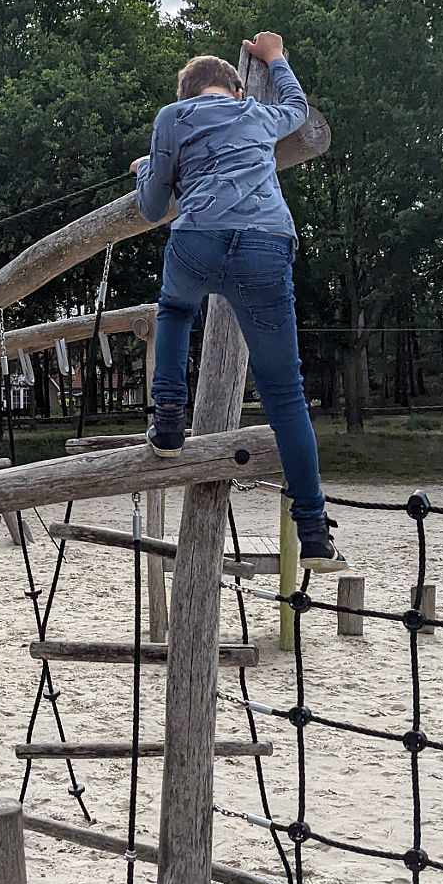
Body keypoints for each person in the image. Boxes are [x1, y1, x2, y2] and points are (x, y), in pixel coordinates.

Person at [133, 31, 346, 572]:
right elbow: (296, 108)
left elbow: (154, 205)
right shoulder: (258, 115)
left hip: (199, 237)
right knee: (285, 393)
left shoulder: (171, 118)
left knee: (177, 309)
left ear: (188, 91)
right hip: (266, 244)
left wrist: (147, 172)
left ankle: (169, 422)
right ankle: (315, 532)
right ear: (233, 87)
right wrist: (276, 59)